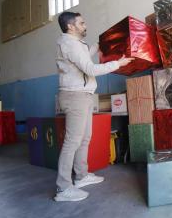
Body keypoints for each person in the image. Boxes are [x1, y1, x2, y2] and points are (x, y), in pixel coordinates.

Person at [54, 12, 134, 202]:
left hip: (83, 95)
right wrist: (118, 63)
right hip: (75, 96)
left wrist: (97, 46)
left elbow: (82, 60)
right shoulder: (69, 44)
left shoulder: (75, 44)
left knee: (84, 138)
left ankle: (81, 176)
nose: (85, 25)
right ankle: (63, 188)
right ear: (70, 26)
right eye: (81, 23)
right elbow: (89, 69)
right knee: (72, 141)